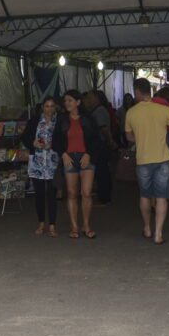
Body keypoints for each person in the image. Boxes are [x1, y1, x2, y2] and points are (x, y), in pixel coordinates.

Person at [124, 78, 169, 245]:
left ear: (137, 91)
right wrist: (167, 142)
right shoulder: (164, 110)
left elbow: (129, 137)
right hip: (163, 159)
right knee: (162, 197)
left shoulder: (131, 112)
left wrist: (141, 139)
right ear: (150, 90)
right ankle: (158, 234)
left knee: (145, 196)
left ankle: (147, 228)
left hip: (143, 159)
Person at [60, 89, 100, 239]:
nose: (67, 103)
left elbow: (96, 139)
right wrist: (63, 153)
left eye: (70, 100)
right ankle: (74, 226)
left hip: (85, 157)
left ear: (78, 102)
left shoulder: (88, 119)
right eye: (65, 101)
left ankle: (86, 225)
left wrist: (89, 154)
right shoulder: (62, 119)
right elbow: (56, 139)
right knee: (71, 193)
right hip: (69, 158)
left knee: (86, 193)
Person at [21, 96, 64, 237]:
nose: (49, 109)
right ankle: (41, 222)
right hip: (37, 162)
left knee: (52, 194)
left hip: (52, 162)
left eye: (52, 106)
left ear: (55, 107)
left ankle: (52, 224)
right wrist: (32, 143)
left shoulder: (59, 121)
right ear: (42, 107)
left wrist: (53, 145)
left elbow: (64, 140)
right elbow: (25, 137)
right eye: (47, 106)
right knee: (39, 194)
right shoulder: (34, 121)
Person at [84, 91, 114, 205]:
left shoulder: (99, 111)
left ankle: (105, 197)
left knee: (102, 171)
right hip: (100, 144)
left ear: (96, 98)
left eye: (90, 98)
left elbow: (104, 129)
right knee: (102, 171)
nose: (88, 100)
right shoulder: (97, 110)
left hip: (101, 144)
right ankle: (103, 195)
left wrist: (109, 141)